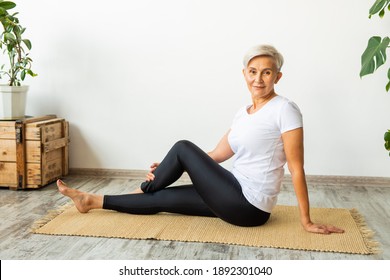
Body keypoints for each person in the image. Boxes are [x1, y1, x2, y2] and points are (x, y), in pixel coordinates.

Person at [58, 44, 344, 234]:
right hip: (230, 193)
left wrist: (306, 221)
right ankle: (91, 201)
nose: (259, 79)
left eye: (266, 73)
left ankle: (143, 187)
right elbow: (218, 155)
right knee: (161, 198)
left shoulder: (286, 110)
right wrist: (169, 166)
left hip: (250, 206)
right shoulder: (243, 114)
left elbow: (296, 168)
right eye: (253, 72)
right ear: (244, 74)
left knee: (183, 147)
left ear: (277, 77)